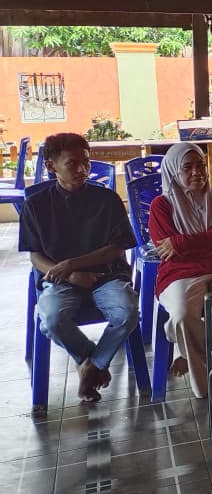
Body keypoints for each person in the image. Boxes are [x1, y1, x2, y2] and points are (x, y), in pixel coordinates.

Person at [19, 132, 140, 403]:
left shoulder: (106, 199)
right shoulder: (36, 205)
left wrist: (72, 264)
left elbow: (117, 248)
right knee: (51, 320)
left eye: (86, 162)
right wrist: (70, 275)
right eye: (72, 163)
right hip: (61, 280)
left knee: (127, 312)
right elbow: (35, 256)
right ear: (51, 166)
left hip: (107, 275)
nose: (82, 170)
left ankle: (91, 366)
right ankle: (91, 362)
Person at [149, 143, 212, 398]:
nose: (197, 172)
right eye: (187, 167)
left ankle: (193, 350)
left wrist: (182, 243)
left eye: (201, 165)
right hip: (181, 273)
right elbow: (170, 252)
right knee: (183, 314)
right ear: (173, 171)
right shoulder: (161, 206)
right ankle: (211, 380)